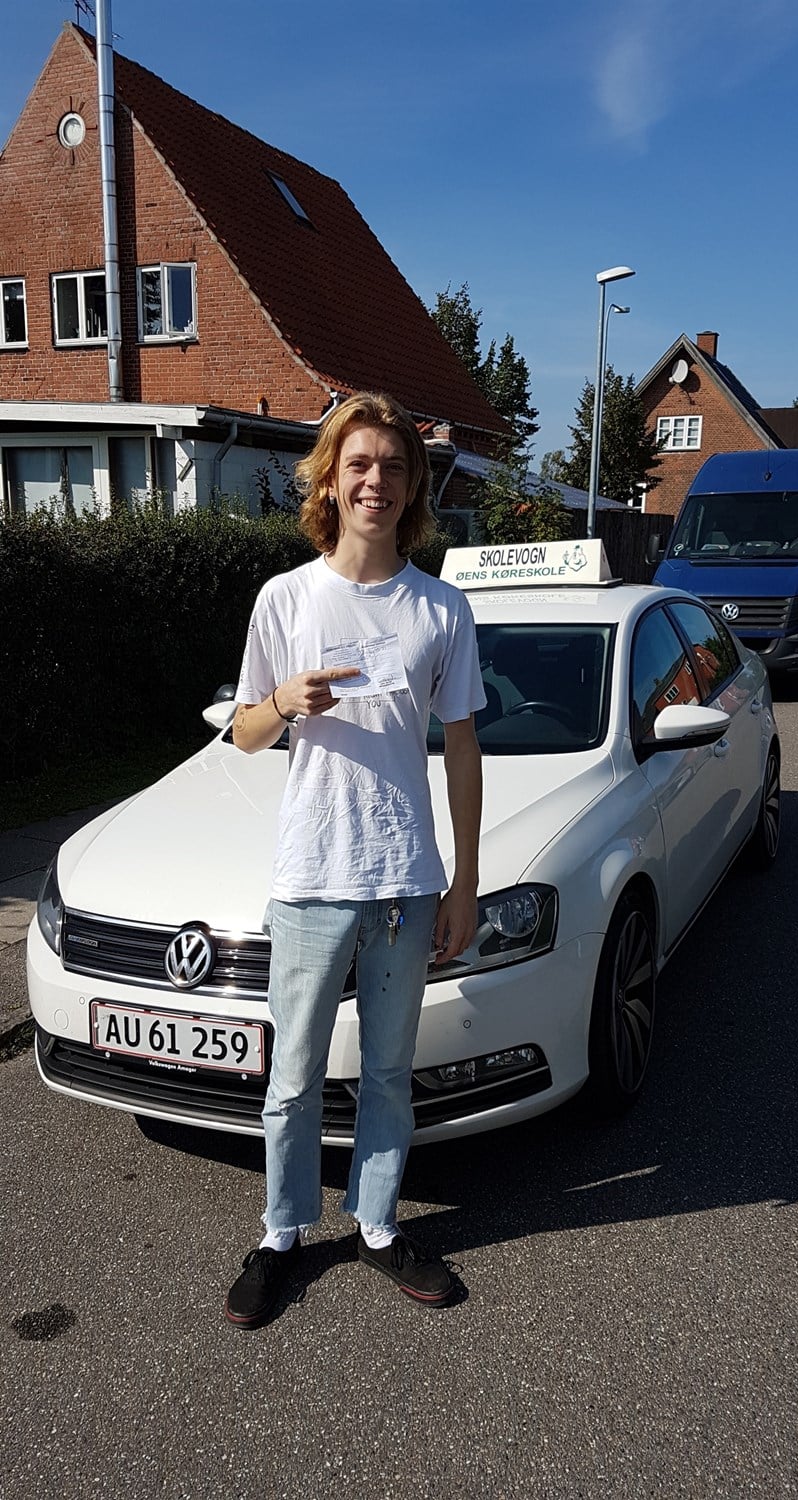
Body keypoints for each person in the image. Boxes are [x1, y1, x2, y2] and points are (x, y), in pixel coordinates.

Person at [224, 391, 485, 1327]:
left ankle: (376, 1225)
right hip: (311, 878)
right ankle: (281, 1234)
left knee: (385, 1073)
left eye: (394, 466)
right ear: (330, 481)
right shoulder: (285, 598)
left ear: (413, 487)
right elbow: (243, 734)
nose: (377, 480)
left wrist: (464, 881)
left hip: (405, 882)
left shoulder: (440, 608)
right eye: (360, 464)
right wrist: (283, 702)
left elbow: (462, 748)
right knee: (292, 1076)